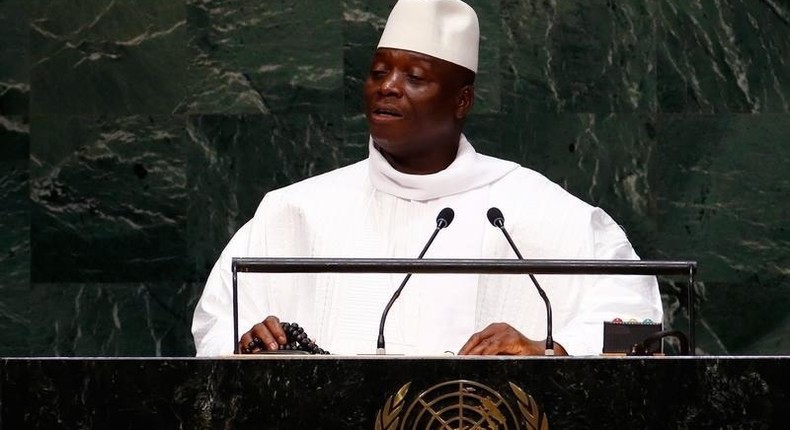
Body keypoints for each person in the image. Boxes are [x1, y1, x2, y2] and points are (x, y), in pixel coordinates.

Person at [191, 0, 663, 357]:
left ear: (461, 102)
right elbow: (217, 323)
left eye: (414, 77)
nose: (388, 86)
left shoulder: (536, 209)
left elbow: (639, 328)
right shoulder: (296, 212)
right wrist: (244, 344)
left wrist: (551, 351)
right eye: (379, 72)